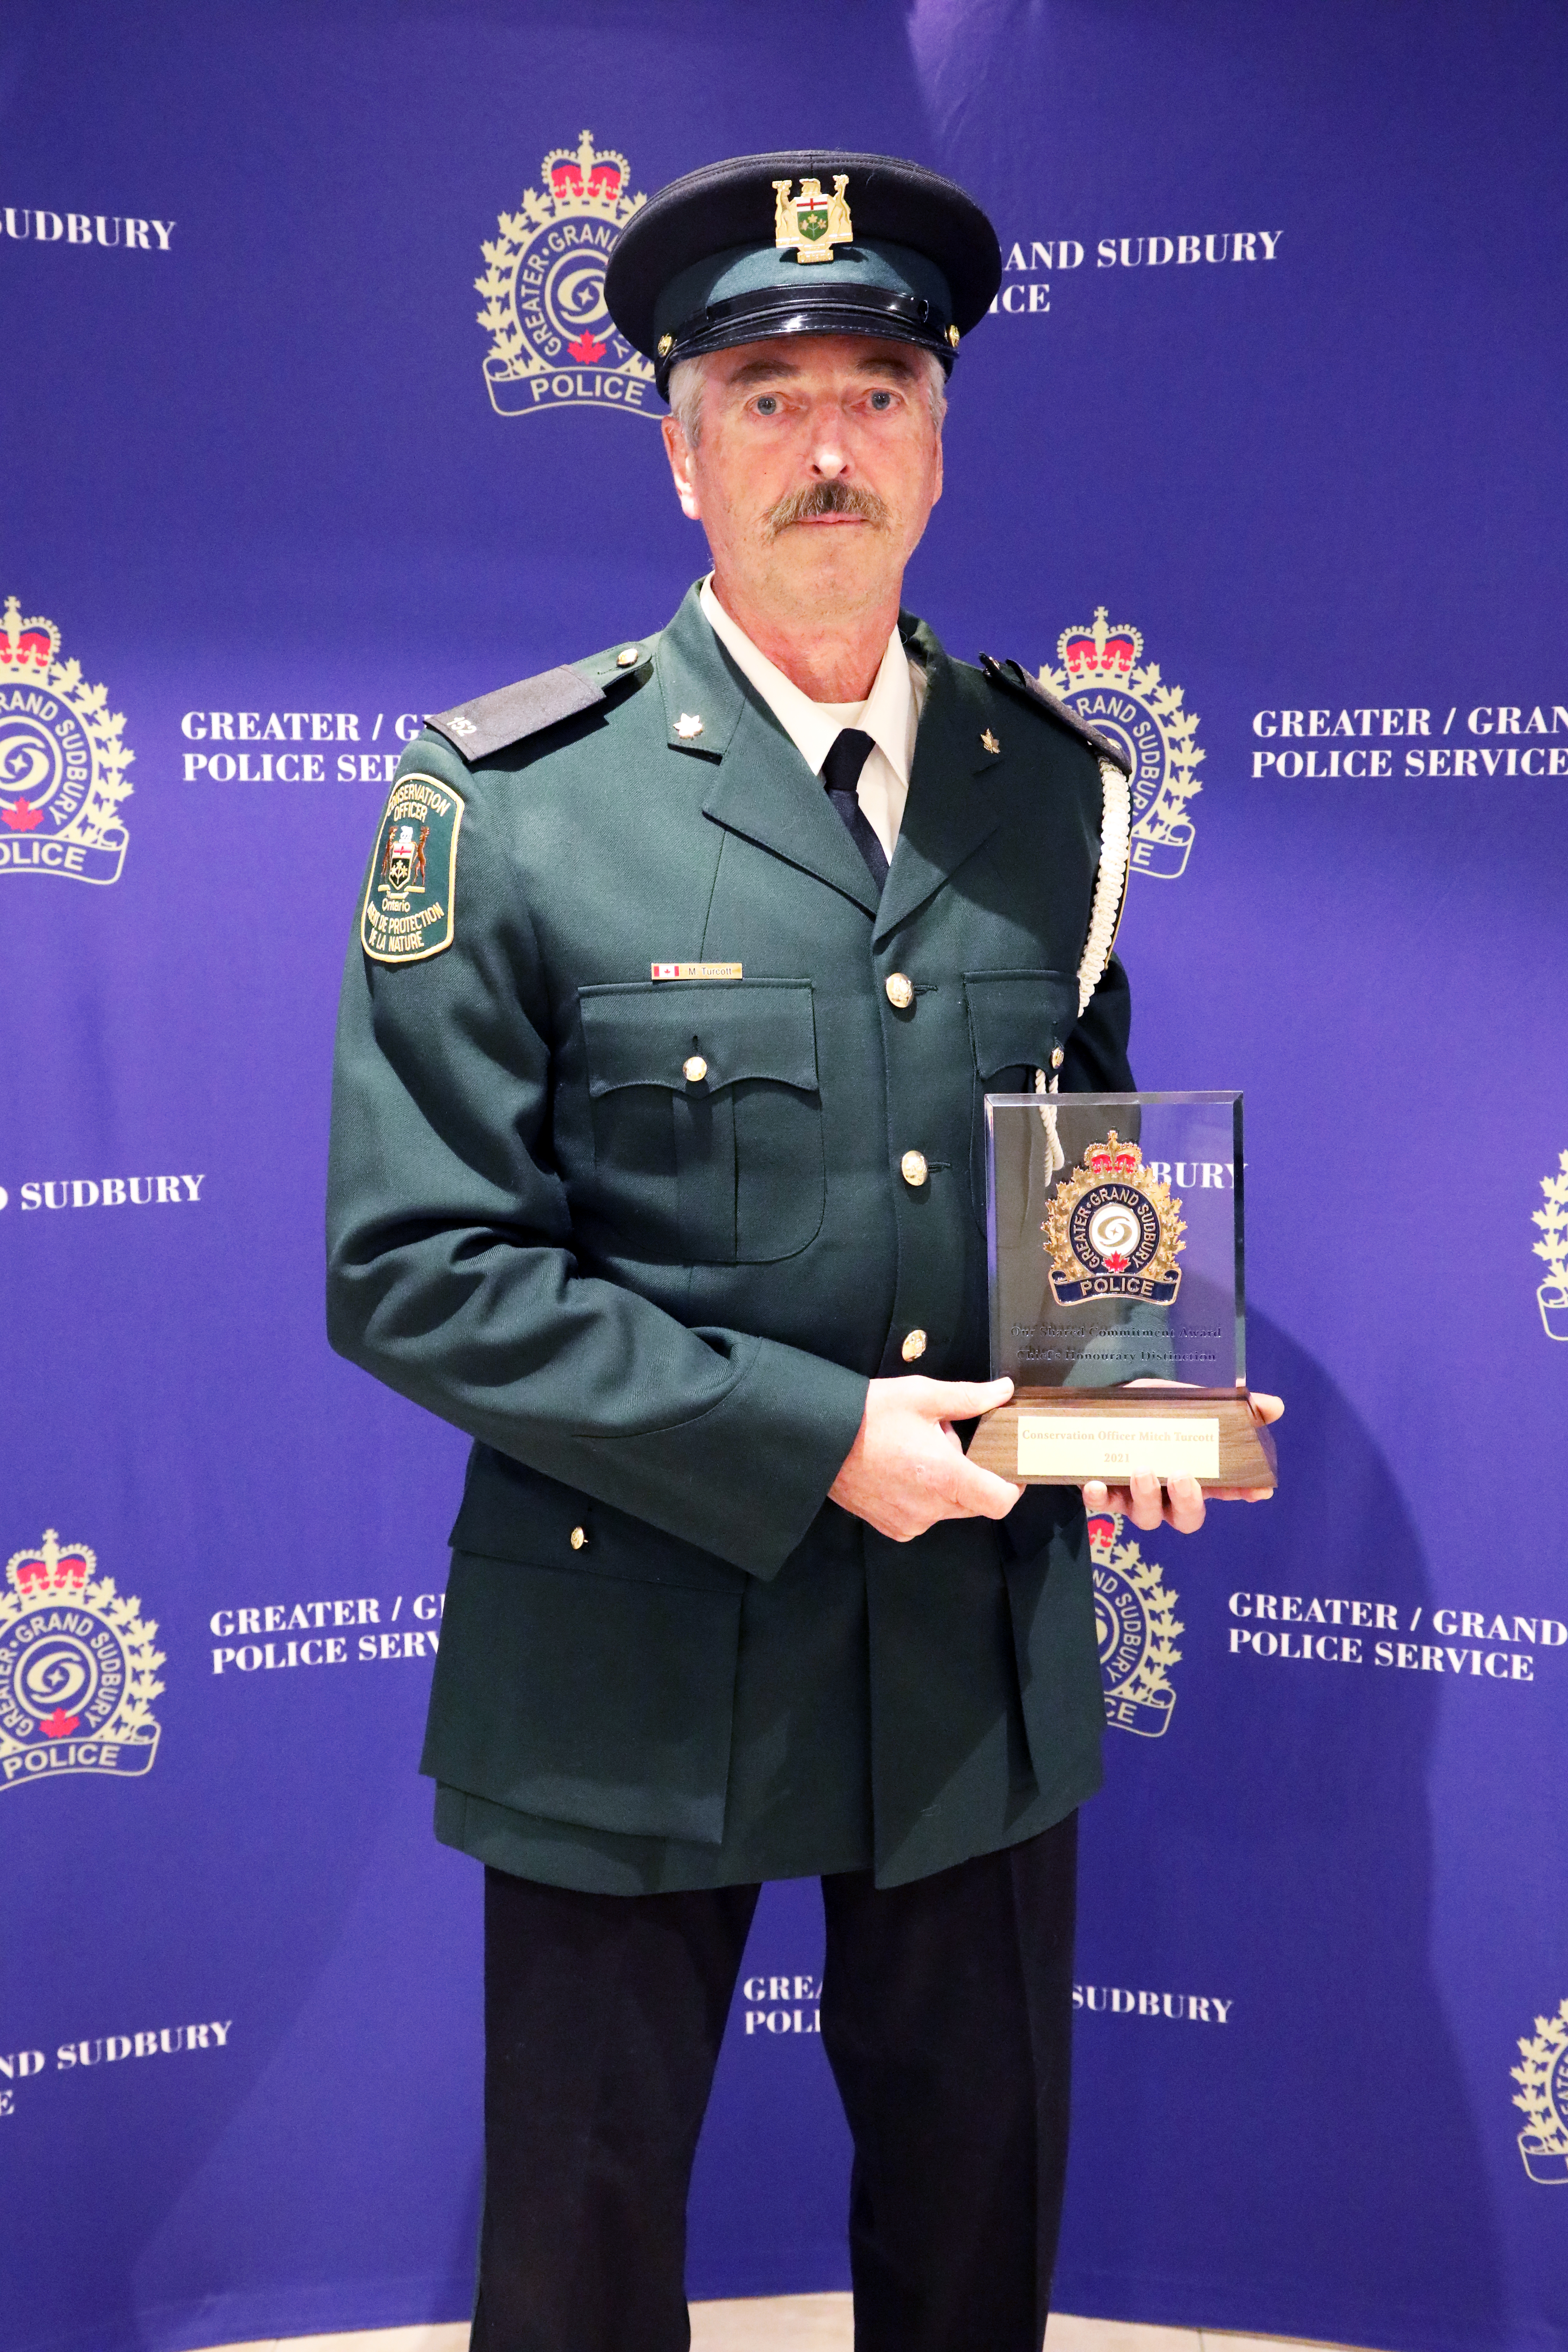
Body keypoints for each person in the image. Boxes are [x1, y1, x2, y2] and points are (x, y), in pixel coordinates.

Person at [327, 148, 1280, 2352]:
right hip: (626, 1651)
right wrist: (816, 1438)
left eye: (875, 388)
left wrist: (1124, 1385)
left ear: (941, 442)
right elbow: (420, 1266)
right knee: (577, 2266)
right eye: (764, 395)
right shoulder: (509, 801)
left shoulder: (1052, 787)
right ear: (679, 454)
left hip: (970, 1648)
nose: (825, 443)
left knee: (976, 2240)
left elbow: (1084, 1150)